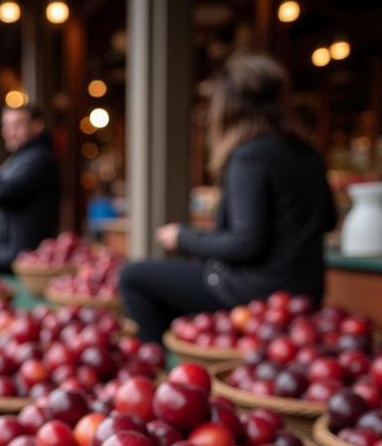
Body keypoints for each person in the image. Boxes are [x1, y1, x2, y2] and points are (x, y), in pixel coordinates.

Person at [119, 53, 337, 343]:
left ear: (227, 108)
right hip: (305, 292)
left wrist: (182, 237)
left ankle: (161, 366)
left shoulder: (249, 157)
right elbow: (330, 219)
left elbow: (246, 244)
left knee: (132, 276)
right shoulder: (306, 152)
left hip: (256, 294)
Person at [0, 104, 60, 274]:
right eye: (6, 126)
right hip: (7, 259)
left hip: (18, 262)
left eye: (17, 125)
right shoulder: (23, 158)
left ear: (37, 126)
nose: (8, 132)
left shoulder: (39, 159)